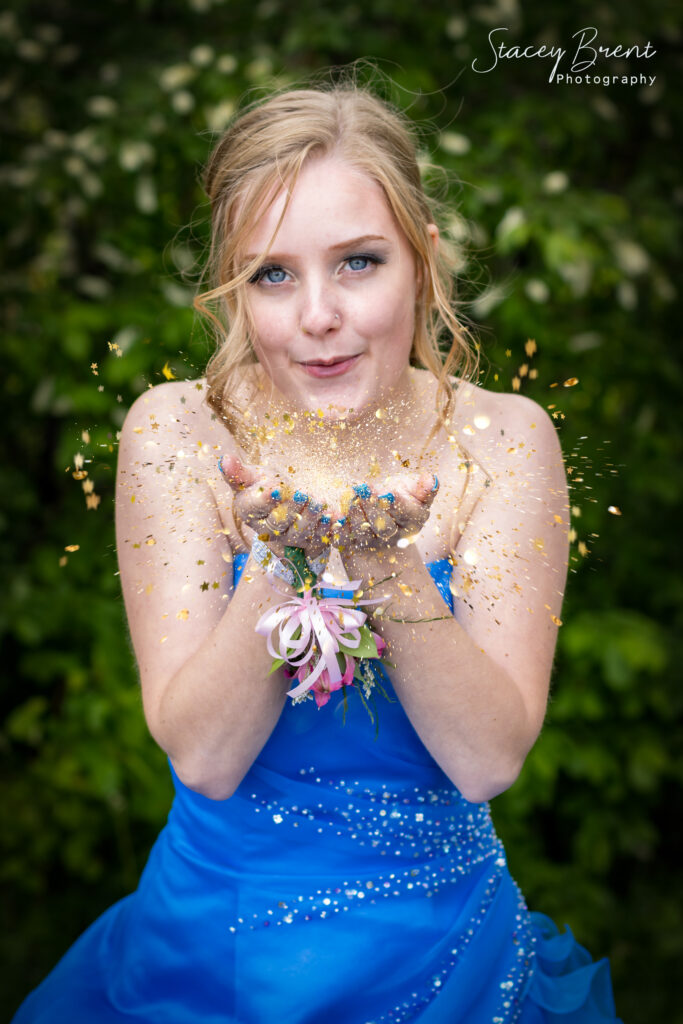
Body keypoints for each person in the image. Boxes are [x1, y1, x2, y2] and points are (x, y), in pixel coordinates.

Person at [13, 83, 622, 1023]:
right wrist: (282, 556)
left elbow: (487, 758)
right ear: (232, 289)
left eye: (358, 263)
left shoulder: (505, 440)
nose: (317, 315)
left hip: (444, 954)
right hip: (215, 952)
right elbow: (206, 758)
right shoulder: (176, 433)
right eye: (272, 275)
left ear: (420, 260)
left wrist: (384, 562)